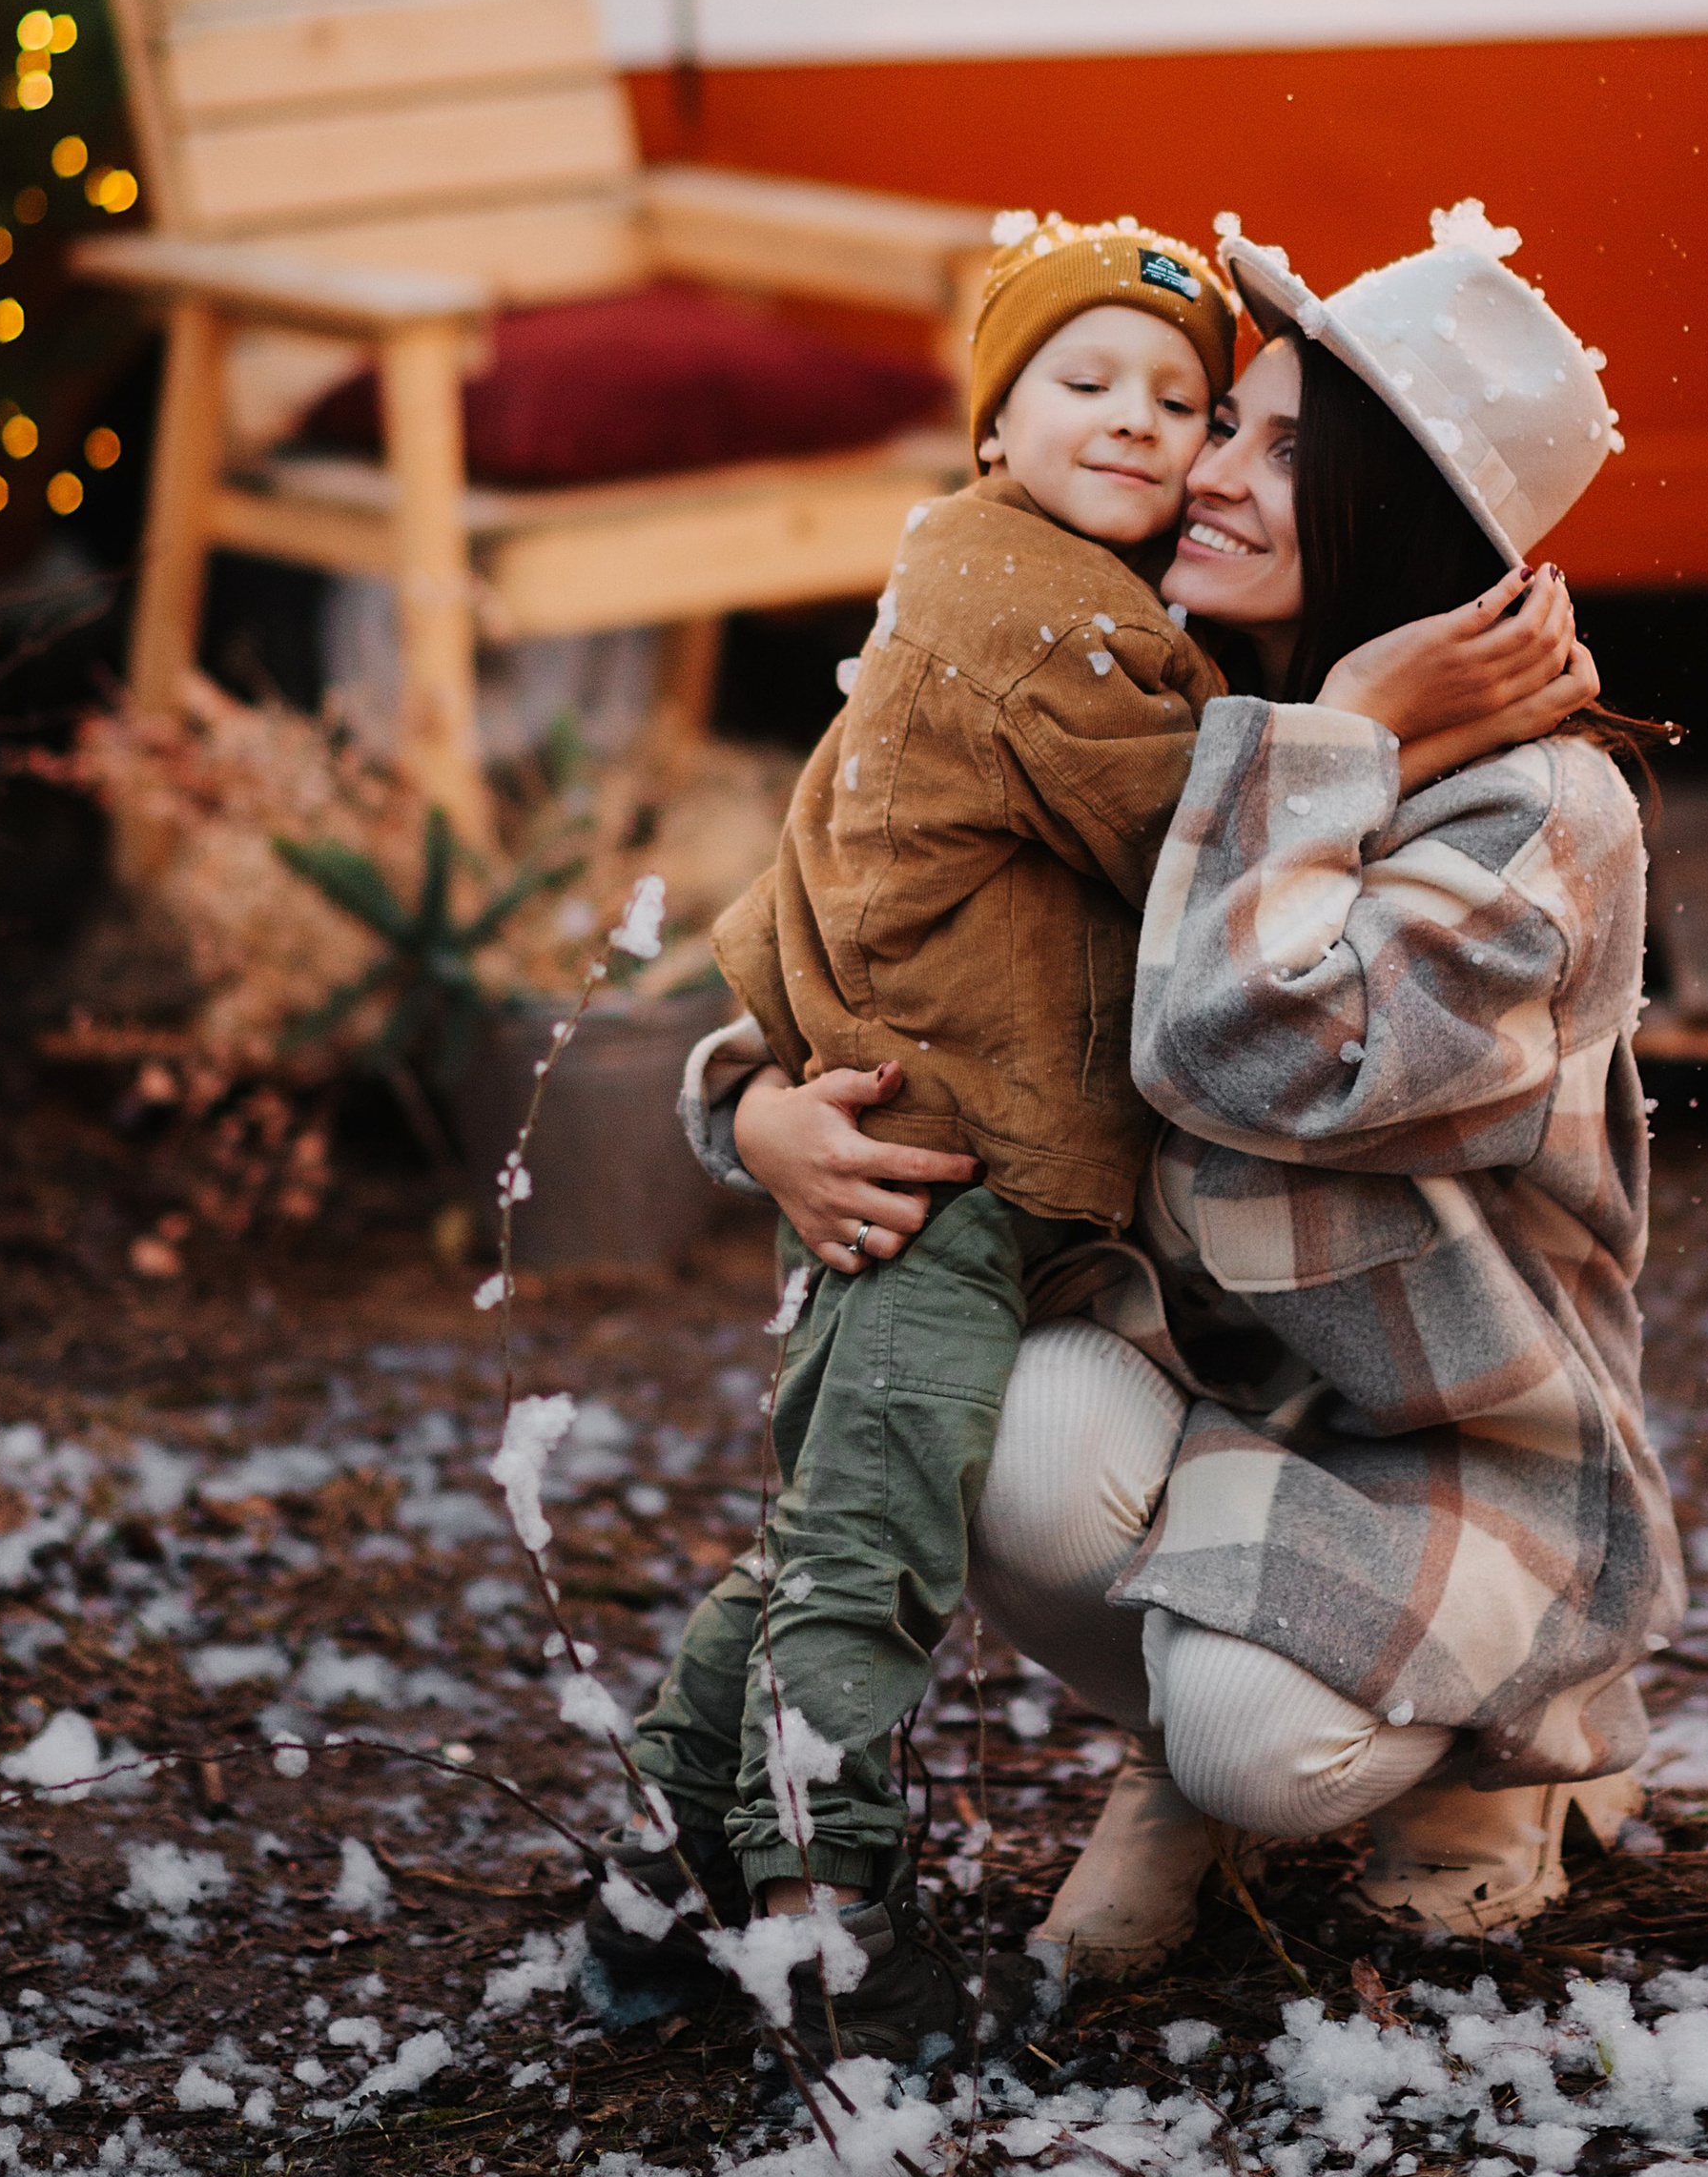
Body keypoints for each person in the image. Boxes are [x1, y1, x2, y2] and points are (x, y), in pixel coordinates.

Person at [598, 210, 1577, 2063]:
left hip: (1421, 1441)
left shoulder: (1517, 803)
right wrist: (752, 1102)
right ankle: (769, 1871)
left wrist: (1352, 729)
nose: (1187, 454)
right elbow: (857, 897)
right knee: (911, 1486)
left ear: (1393, 516)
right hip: (1180, 1360)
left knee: (1139, 1664)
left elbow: (1249, 1048)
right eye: (1221, 418)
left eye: (1253, 432)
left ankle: (1498, 1747)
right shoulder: (1089, 651)